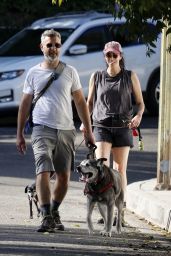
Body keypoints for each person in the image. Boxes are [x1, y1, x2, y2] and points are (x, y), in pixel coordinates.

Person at [16, 29, 95, 232]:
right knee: (42, 169)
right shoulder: (33, 73)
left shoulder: (70, 71)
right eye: (49, 45)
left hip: (66, 130)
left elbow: (80, 101)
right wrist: (19, 134)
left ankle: (54, 209)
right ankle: (45, 216)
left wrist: (88, 130)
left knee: (63, 177)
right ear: (42, 47)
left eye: (57, 45)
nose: (53, 48)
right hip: (41, 128)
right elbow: (25, 104)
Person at [80, 41, 145, 224]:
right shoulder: (97, 76)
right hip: (101, 126)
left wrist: (138, 116)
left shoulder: (130, 76)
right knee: (101, 168)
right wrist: (85, 123)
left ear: (120, 56)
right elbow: (90, 103)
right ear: (104, 56)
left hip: (123, 127)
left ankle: (120, 212)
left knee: (119, 170)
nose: (111, 58)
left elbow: (140, 103)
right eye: (108, 55)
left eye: (114, 55)